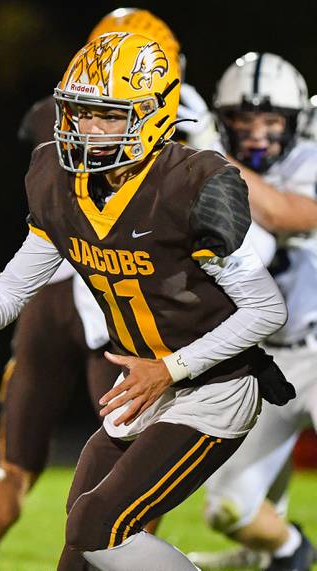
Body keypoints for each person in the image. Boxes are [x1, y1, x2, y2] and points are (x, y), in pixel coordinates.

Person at [0, 32, 294, 570]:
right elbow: (9, 292)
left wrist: (171, 368)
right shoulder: (57, 181)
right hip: (141, 387)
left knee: (99, 528)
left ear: (155, 116)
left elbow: (265, 310)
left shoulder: (194, 184)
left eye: (108, 115)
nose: (87, 129)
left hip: (215, 384)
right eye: (79, 112)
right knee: (78, 550)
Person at [186, 52, 317, 571]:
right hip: (264, 359)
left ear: (295, 123)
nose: (257, 134)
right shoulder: (207, 163)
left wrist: (214, 158)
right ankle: (285, 553)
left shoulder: (308, 160)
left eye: (270, 122)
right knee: (228, 509)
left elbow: (286, 215)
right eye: (243, 121)